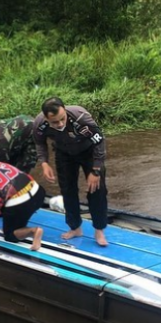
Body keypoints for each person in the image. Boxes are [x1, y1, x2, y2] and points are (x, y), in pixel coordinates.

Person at [33, 97, 109, 247]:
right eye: (55, 122)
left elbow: (99, 141)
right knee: (68, 189)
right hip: (64, 153)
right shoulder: (39, 124)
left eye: (62, 119)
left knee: (97, 190)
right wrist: (44, 162)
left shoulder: (80, 117)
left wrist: (96, 170)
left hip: (89, 152)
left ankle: (99, 230)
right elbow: (39, 142)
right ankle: (75, 228)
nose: (60, 124)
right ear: (46, 119)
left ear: (65, 109)